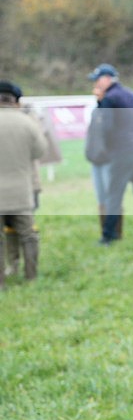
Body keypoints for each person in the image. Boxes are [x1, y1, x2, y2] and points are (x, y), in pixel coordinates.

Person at [88, 64, 133, 245]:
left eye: (97, 79)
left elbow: (107, 127)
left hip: (123, 152)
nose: (96, 83)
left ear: (106, 79)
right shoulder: (130, 94)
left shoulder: (109, 99)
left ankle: (107, 236)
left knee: (114, 195)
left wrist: (100, 103)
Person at [0, 81, 47, 286]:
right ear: (15, 101)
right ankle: (31, 277)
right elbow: (40, 152)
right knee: (28, 236)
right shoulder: (27, 123)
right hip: (21, 192)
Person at [85, 83, 122, 240]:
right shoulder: (95, 111)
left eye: (99, 89)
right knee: (101, 198)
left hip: (109, 160)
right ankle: (105, 232)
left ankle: (116, 233)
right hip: (96, 161)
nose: (95, 92)